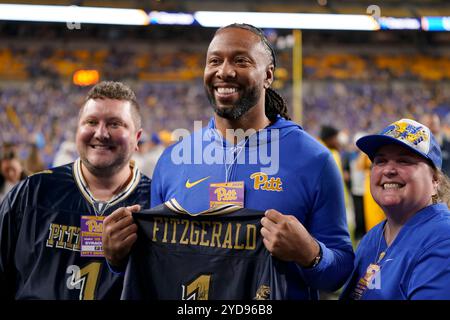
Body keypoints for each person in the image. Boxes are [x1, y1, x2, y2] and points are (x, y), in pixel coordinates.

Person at [104, 24, 353, 300]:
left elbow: (339, 273)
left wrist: (310, 254)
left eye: (240, 60)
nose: (224, 71)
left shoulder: (314, 161)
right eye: (214, 60)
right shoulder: (173, 159)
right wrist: (117, 259)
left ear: (268, 75)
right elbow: (156, 266)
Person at [0, 81, 151, 299]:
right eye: (91, 122)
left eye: (115, 124)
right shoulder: (31, 193)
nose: (101, 133)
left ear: (137, 138)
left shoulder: (156, 202)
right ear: (77, 130)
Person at [341, 118, 450, 300]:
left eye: (404, 161)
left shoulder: (443, 240)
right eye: (381, 161)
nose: (389, 170)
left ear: (435, 181)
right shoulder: (373, 237)